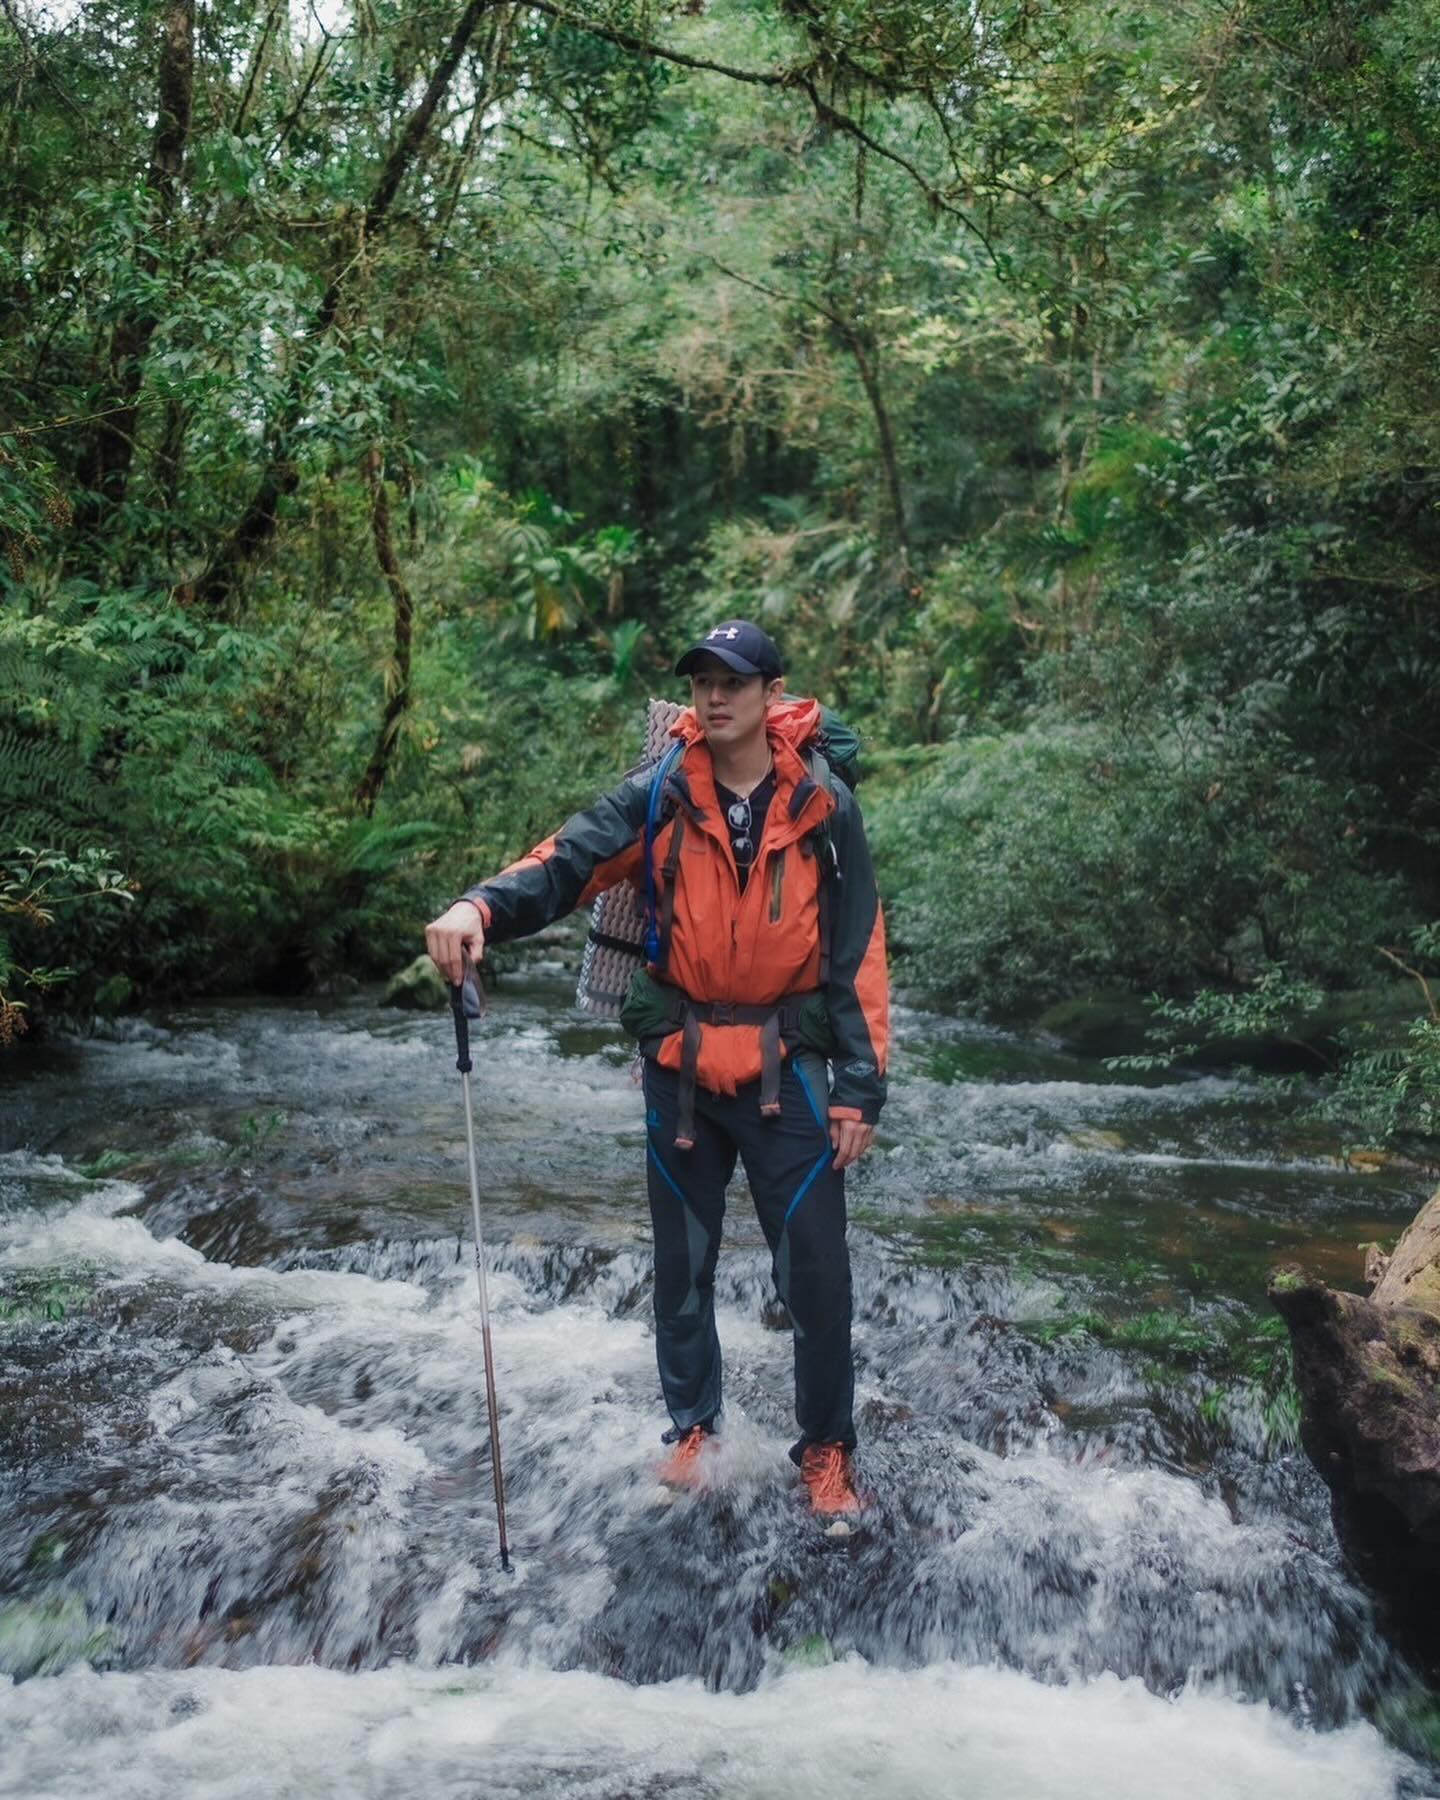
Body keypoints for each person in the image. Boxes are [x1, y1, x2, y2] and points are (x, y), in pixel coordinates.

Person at [425, 620, 889, 1518]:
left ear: (770, 692)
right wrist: (478, 906)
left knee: (818, 1277)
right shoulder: (660, 794)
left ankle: (826, 1450)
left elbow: (858, 949)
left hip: (786, 1068)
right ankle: (694, 1427)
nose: (714, 696)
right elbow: (564, 863)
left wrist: (861, 1088)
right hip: (678, 1064)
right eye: (702, 681)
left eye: (733, 681)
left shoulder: (824, 803)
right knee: (682, 1267)